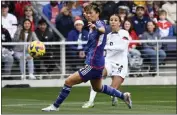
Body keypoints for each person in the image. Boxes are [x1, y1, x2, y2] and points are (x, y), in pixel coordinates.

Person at [41, 3, 132, 112]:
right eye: (87, 13)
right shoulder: (92, 24)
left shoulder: (99, 23)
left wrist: (97, 28)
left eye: (91, 13)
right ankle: (123, 96)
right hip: (98, 63)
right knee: (98, 88)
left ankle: (55, 106)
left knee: (68, 81)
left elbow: (102, 30)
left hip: (93, 64)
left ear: (97, 14)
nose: (88, 15)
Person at [82, 14, 130, 108]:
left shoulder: (124, 33)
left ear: (120, 23)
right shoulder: (107, 36)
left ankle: (117, 96)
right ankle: (90, 101)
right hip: (108, 62)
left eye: (116, 20)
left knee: (112, 89)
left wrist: (107, 47)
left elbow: (122, 47)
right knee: (96, 76)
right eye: (111, 20)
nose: (113, 22)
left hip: (121, 64)